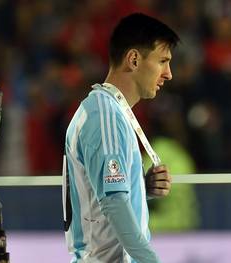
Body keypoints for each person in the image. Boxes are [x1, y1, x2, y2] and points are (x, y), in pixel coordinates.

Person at [63, 13, 179, 262]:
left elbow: (105, 196)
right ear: (134, 59)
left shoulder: (106, 111)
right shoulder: (106, 116)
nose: (168, 73)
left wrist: (139, 188)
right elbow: (113, 203)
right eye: (162, 61)